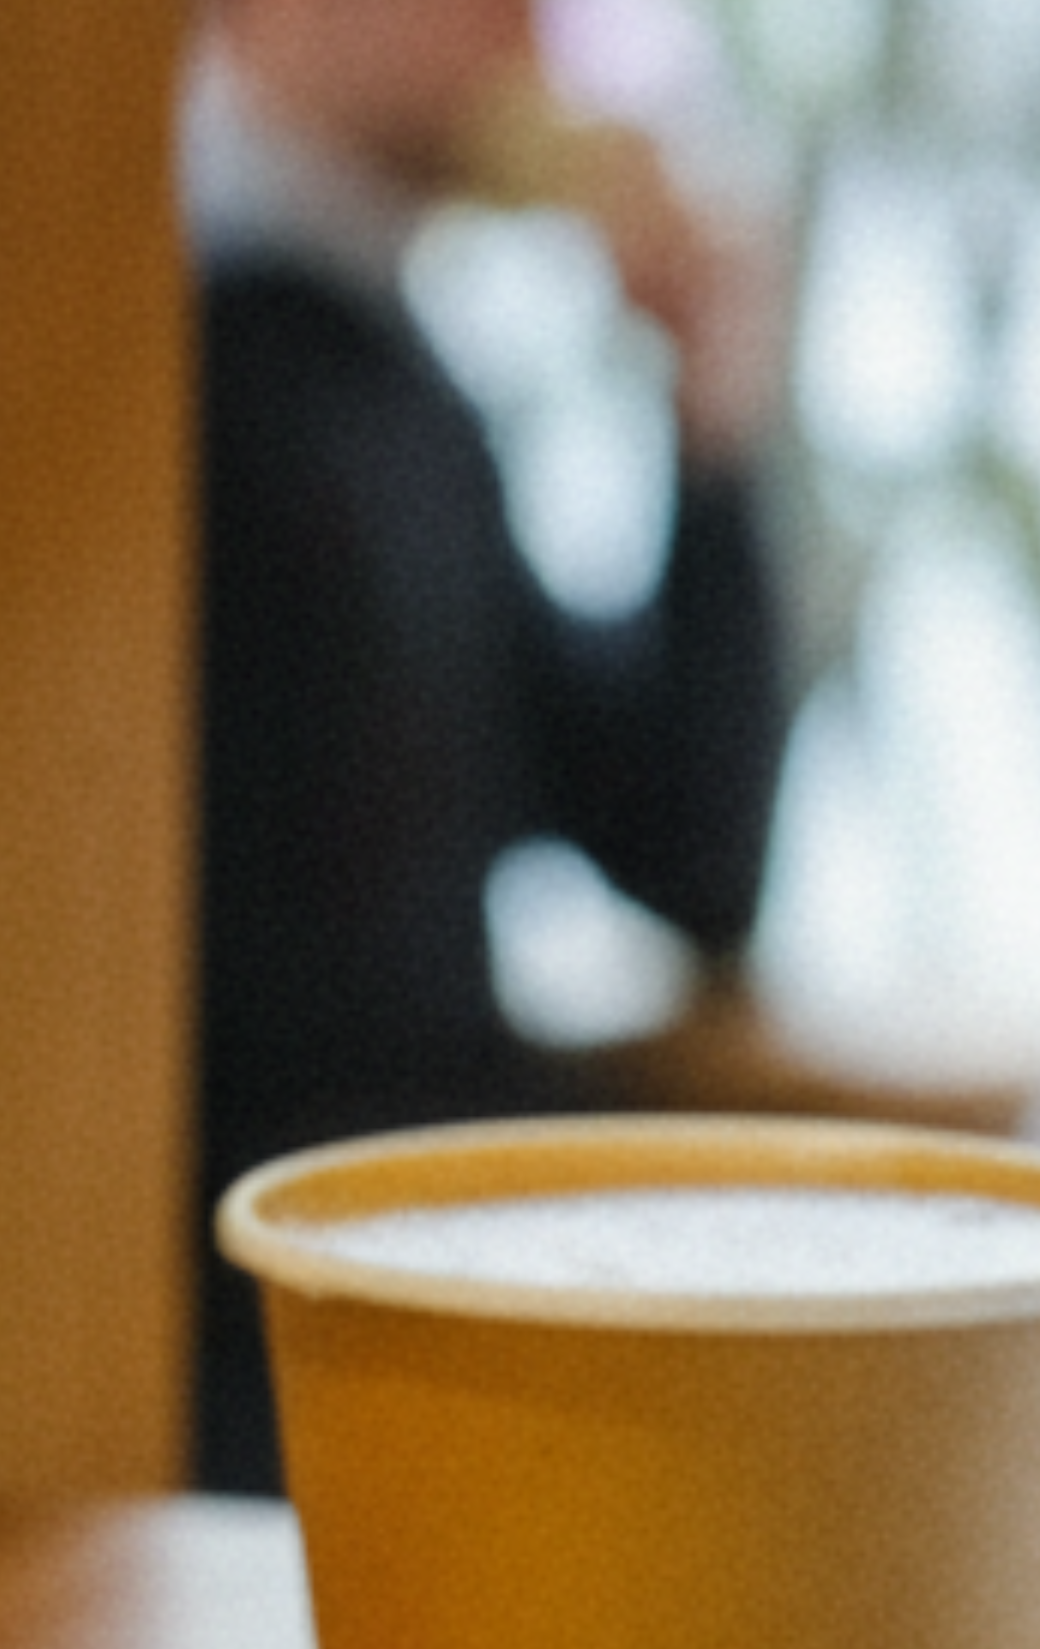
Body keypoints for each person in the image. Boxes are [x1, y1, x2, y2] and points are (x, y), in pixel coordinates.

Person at [184, 0, 803, 1494]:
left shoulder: (396, 383)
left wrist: (706, 408)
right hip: (260, 1326)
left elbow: (687, 855)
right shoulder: (172, 357)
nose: (528, 36)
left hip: (428, 1263)